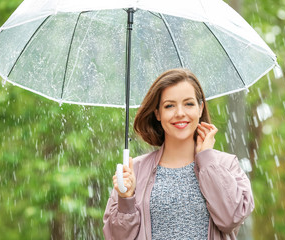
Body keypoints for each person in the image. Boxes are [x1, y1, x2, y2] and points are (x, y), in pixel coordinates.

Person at [103, 68, 254, 240]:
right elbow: (116, 237)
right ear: (158, 113)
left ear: (200, 108)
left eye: (189, 103)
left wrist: (207, 160)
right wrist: (126, 199)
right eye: (169, 105)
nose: (180, 113)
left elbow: (231, 218)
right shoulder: (134, 170)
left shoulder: (226, 165)